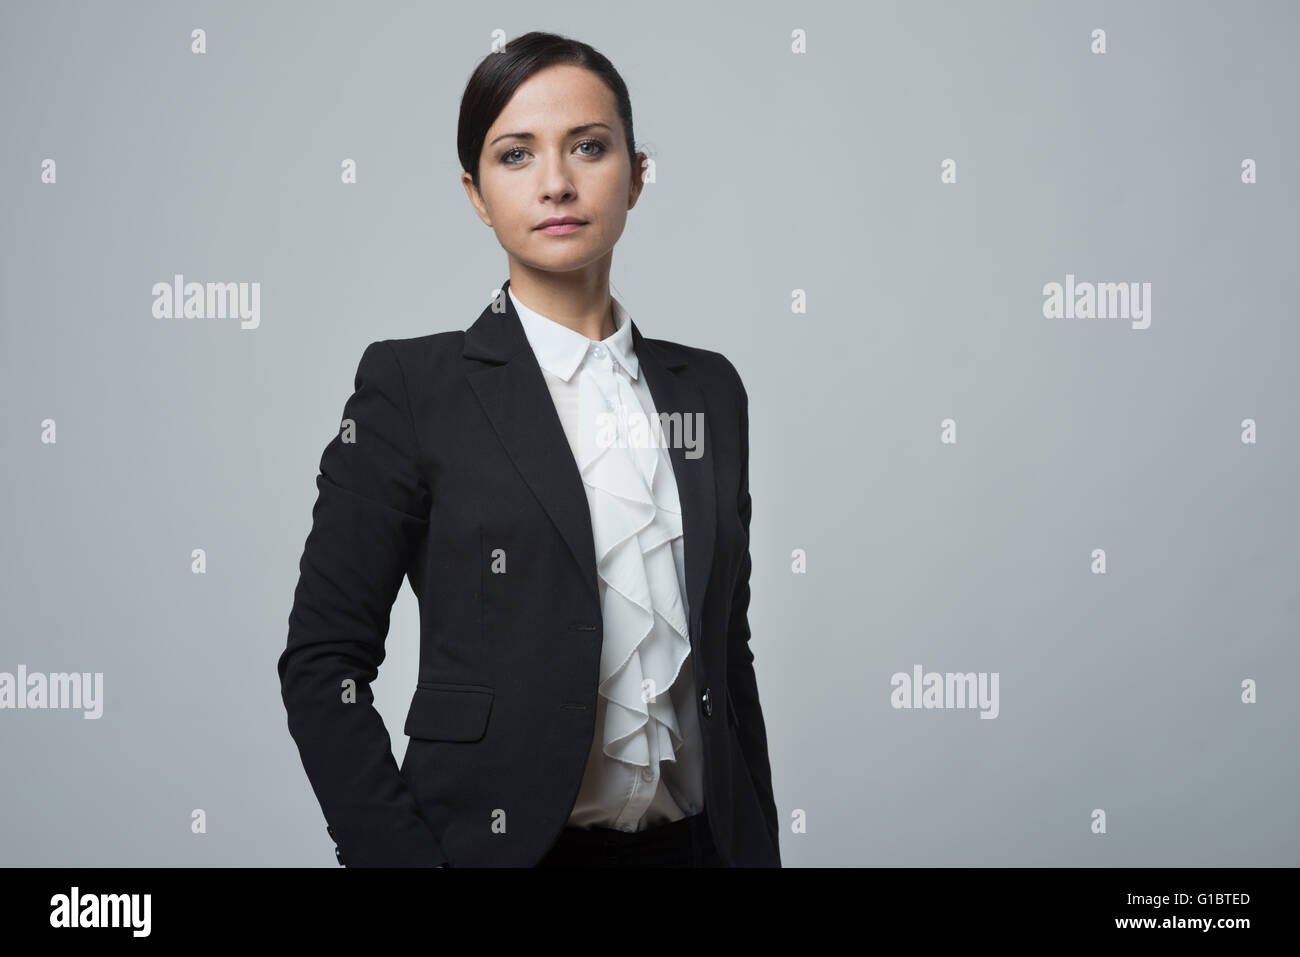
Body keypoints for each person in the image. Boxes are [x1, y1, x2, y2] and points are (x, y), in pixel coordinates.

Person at [277, 30, 780, 868]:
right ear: (476, 194)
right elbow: (323, 661)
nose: (556, 182)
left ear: (637, 173)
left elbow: (728, 655)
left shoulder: (710, 391)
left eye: (589, 146)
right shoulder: (413, 385)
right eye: (517, 156)